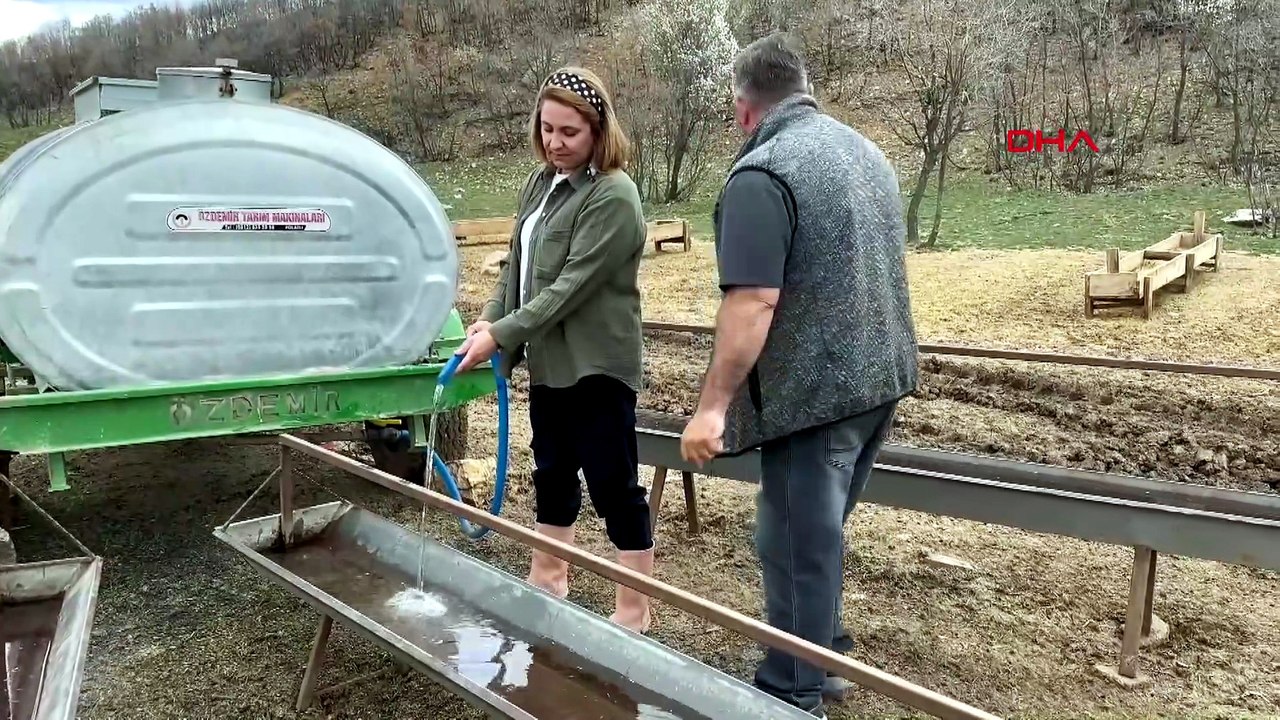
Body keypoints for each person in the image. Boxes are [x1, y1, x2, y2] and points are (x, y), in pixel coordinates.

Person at [679, 33, 920, 718]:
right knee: (818, 531)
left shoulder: (765, 173)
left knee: (790, 539)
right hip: (880, 378)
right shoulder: (865, 151)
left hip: (817, 392)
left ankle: (792, 689)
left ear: (742, 108)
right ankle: (824, 649)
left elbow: (752, 301)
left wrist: (712, 407)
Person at [454, 67, 655, 634]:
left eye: (569, 132)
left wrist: (503, 334)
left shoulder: (613, 195)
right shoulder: (540, 184)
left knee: (614, 486)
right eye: (547, 129)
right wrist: (490, 319)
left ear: (597, 131)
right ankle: (548, 590)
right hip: (548, 364)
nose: (555, 142)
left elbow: (569, 287)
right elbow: (517, 268)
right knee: (552, 475)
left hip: (597, 367)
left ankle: (633, 615)